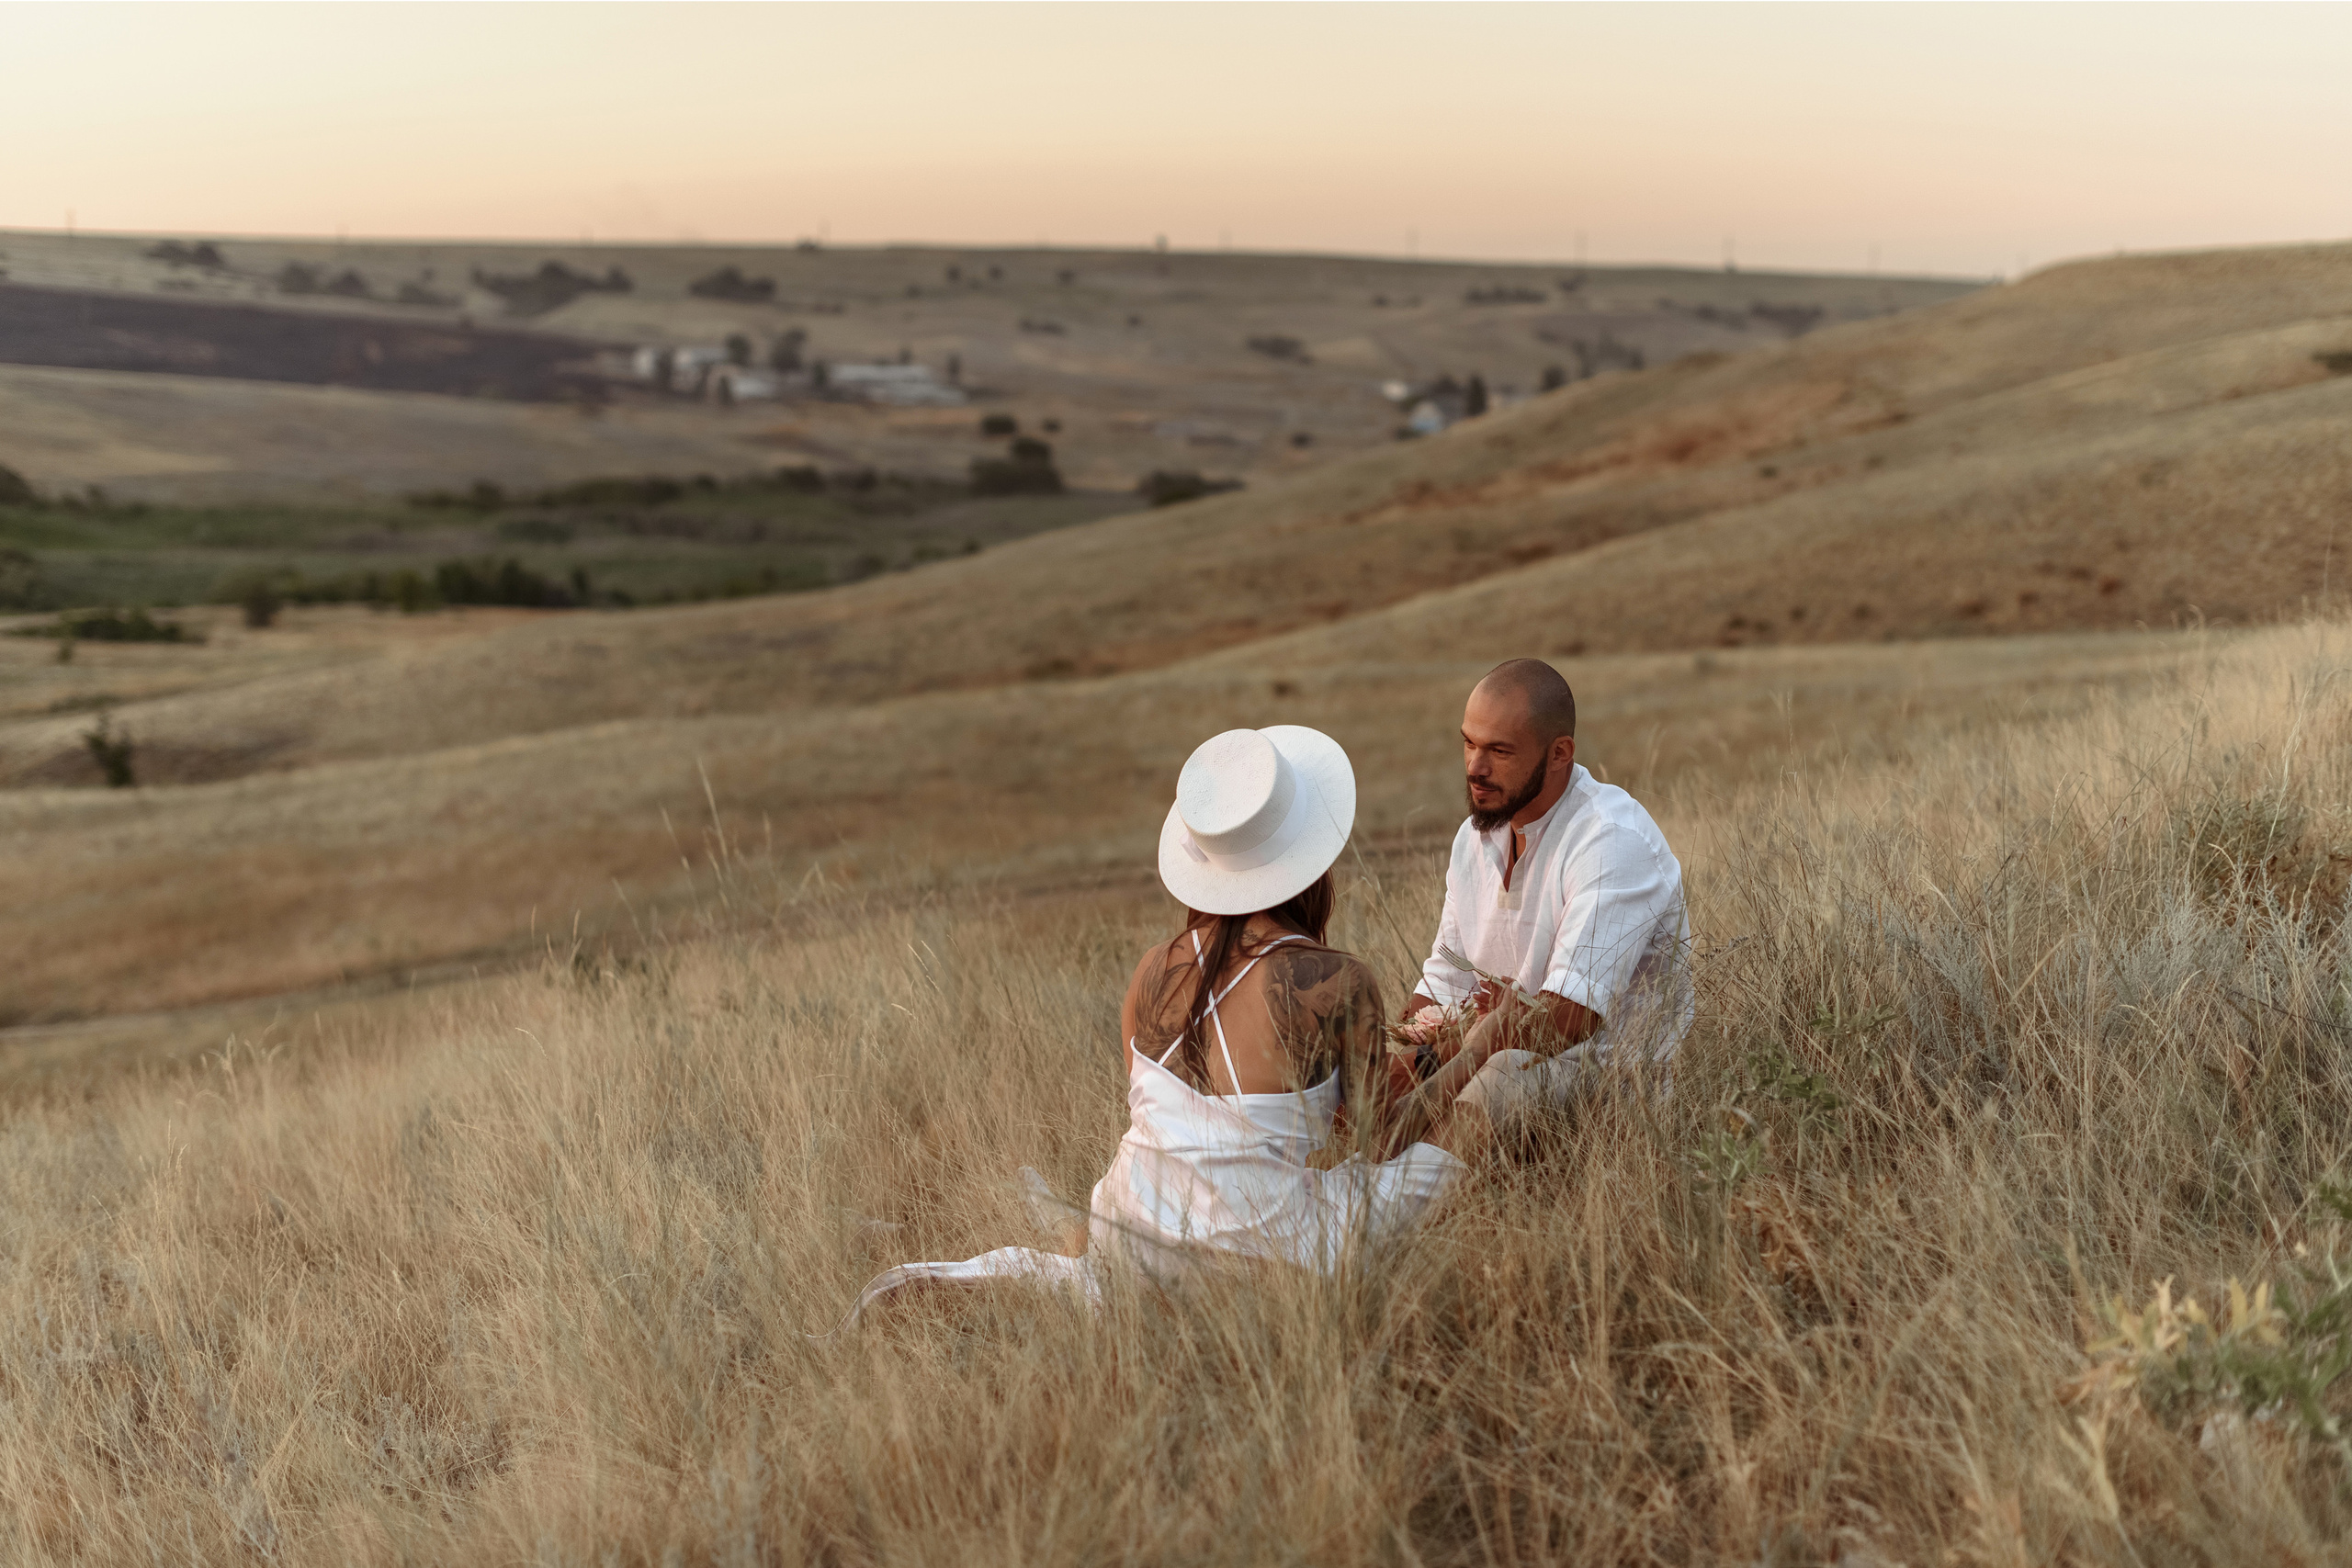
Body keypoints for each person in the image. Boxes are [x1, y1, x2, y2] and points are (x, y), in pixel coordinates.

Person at [831, 725, 1476, 1328]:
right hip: (1268, 1252)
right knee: (1479, 1115)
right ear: (1309, 860)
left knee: (1118, 1256)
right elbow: (1377, 1136)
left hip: (1132, 1225)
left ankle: (1085, 1277)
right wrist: (1473, 1048)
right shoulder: (1338, 979)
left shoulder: (1151, 970)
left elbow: (1177, 1120)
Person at [1401, 659, 1690, 1136]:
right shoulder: (1474, 837)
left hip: (1610, 1090)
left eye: (1499, 751)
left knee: (1502, 1077)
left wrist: (1455, 1051)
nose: (1475, 767)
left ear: (1559, 753)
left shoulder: (1610, 837)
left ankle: (1396, 1181)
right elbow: (1442, 985)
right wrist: (1405, 1055)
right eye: (1469, 743)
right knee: (1368, 1076)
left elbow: (1569, 1021)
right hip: (1481, 1061)